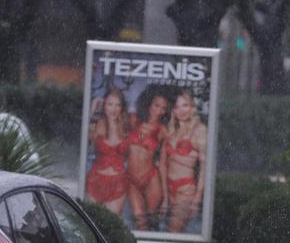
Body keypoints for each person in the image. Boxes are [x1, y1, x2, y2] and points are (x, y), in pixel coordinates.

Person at [161, 89, 207, 234]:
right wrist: (165, 198)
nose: (181, 110)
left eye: (185, 105)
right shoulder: (171, 132)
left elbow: (205, 167)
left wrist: (197, 198)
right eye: (177, 107)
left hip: (186, 190)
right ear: (173, 111)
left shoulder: (199, 130)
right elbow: (163, 164)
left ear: (192, 107)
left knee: (173, 232)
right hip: (168, 189)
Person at [126, 89, 169, 232]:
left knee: (151, 221)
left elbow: (162, 163)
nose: (160, 111)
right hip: (132, 179)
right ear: (148, 104)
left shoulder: (162, 131)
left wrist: (166, 198)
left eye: (163, 108)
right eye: (157, 106)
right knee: (139, 220)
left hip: (151, 178)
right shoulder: (133, 120)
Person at [85, 87, 129, 216]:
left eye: (117, 105)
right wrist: (93, 108)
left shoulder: (126, 126)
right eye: (110, 104)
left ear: (122, 107)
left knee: (111, 226)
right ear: (104, 105)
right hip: (96, 180)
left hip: (118, 183)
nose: (113, 109)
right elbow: (85, 139)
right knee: (93, 224)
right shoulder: (97, 124)